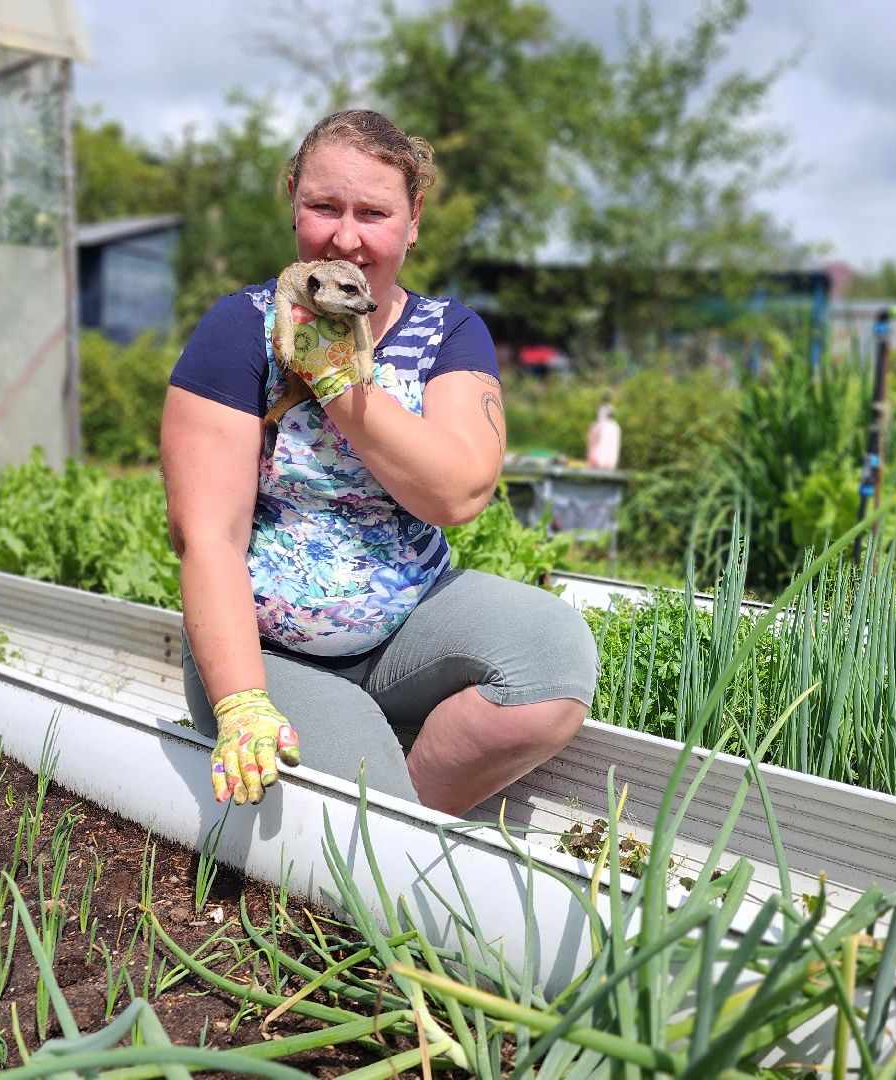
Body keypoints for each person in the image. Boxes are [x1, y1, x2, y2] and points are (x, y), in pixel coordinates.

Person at [161, 109, 596, 817]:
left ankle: (405, 819)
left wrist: (339, 385)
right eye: (324, 206)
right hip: (270, 650)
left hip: (406, 625)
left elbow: (456, 492)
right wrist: (242, 700)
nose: (346, 236)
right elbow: (207, 537)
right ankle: (376, 824)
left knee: (550, 660)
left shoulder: (447, 331)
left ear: (414, 219)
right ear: (294, 200)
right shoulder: (238, 328)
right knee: (366, 815)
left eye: (374, 212)